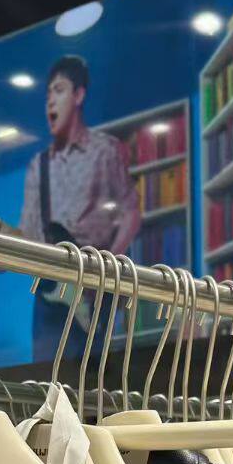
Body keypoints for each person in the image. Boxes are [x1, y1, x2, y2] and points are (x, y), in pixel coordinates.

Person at [17, 55, 141, 361]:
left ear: (79, 95)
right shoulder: (38, 166)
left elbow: (130, 212)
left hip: (97, 296)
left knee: (101, 383)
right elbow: (27, 235)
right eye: (47, 94)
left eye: (58, 90)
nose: (50, 101)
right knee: (42, 384)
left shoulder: (106, 150)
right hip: (50, 299)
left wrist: (106, 268)